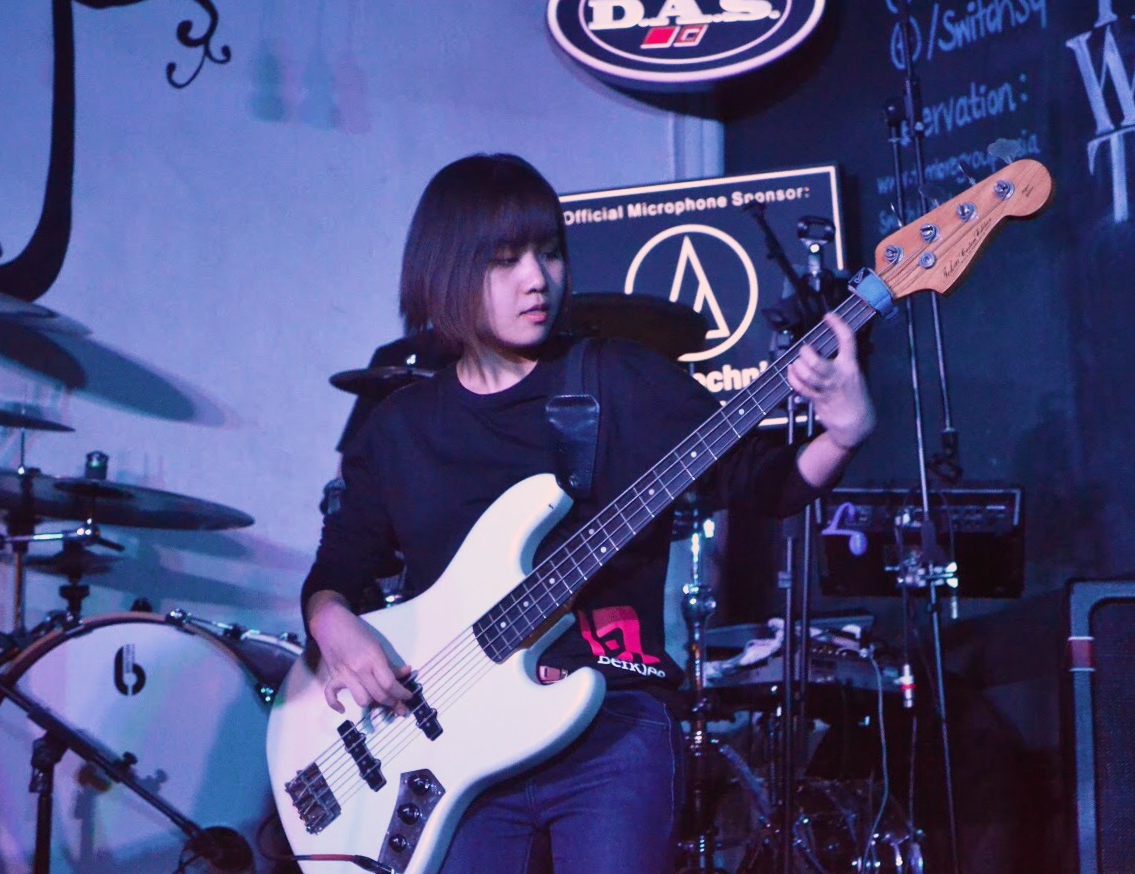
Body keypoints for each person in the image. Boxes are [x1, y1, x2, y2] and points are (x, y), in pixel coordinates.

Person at [299, 152, 875, 874]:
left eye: (548, 252)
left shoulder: (619, 379)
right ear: (445, 271)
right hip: (452, 744)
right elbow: (338, 570)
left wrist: (843, 433)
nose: (537, 278)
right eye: (505, 260)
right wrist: (332, 623)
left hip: (610, 719)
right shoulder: (400, 427)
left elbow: (763, 485)